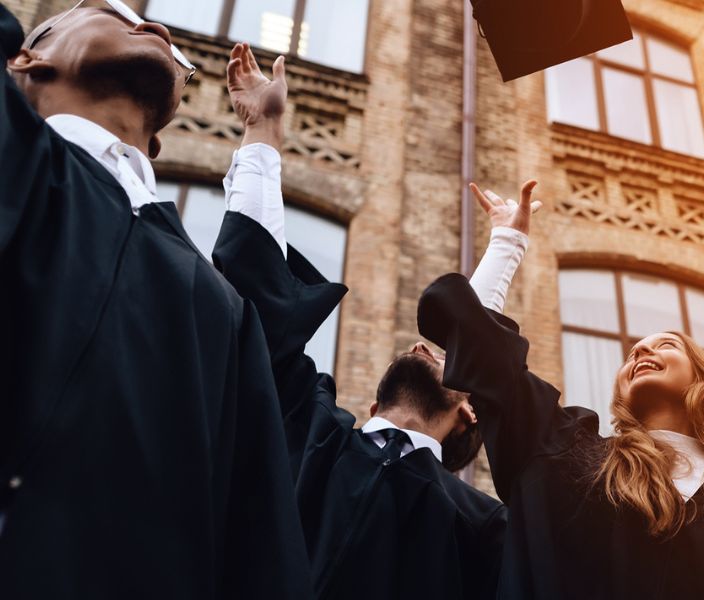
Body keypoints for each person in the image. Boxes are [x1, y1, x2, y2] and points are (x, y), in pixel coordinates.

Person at [0, 4, 309, 597]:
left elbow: (257, 545)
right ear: (26, 59)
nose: (157, 27)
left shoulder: (220, 307)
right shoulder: (19, 155)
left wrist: (265, 135)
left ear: (160, 140)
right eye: (111, 13)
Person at [413, 197, 704, 598]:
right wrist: (507, 241)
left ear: (703, 379)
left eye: (666, 344)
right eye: (633, 352)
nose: (641, 350)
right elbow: (485, 356)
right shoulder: (571, 458)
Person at [206, 43, 508, 600]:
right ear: (367, 411)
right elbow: (256, 297)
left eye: (447, 354)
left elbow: (483, 355)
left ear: (470, 408)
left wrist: (506, 247)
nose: (427, 344)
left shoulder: (480, 527)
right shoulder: (311, 431)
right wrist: (264, 136)